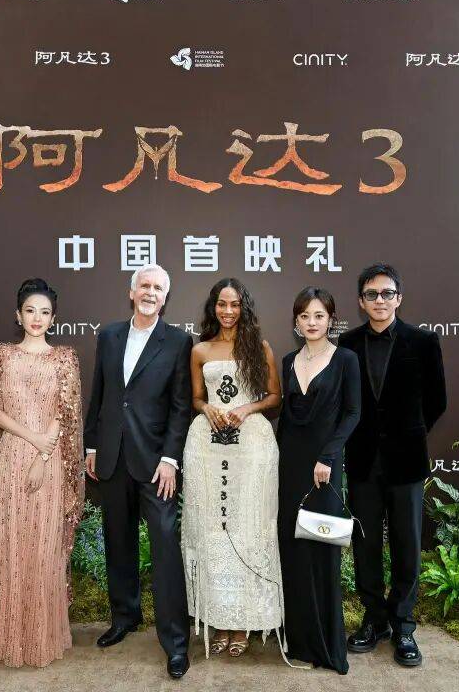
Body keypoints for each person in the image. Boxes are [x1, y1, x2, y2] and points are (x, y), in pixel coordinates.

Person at [83, 264, 194, 679]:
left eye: (158, 288)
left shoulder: (178, 341)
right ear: (132, 292)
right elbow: (100, 395)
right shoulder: (110, 336)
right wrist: (92, 444)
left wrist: (170, 459)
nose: (150, 293)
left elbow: (181, 406)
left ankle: (175, 642)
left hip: (155, 464)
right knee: (118, 541)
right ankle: (125, 617)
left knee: (165, 548)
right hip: (112, 457)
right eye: (144, 285)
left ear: (166, 297)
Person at [338, 263, 447, 667]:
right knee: (365, 544)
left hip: (406, 461)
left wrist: (410, 433)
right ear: (361, 301)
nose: (379, 300)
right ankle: (374, 619)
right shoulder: (347, 344)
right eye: (371, 294)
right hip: (363, 461)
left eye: (387, 293)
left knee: (407, 545)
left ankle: (403, 625)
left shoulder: (423, 341)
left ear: (399, 298)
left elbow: (437, 400)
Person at [0, 278, 85, 667]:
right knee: (13, 547)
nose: (37, 318)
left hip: (49, 462)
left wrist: (42, 454)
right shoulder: (1, 355)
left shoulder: (65, 358)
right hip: (9, 457)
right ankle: (10, 640)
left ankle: (43, 639)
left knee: (44, 547)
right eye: (30, 311)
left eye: (45, 312)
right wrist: (32, 439)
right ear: (18, 315)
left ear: (54, 318)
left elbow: (66, 414)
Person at [181, 278, 283, 659]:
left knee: (247, 529)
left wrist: (246, 408)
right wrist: (207, 408)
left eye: (235, 304)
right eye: (222, 304)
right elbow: (195, 398)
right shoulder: (200, 350)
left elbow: (275, 397)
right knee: (214, 532)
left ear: (244, 308)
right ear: (213, 307)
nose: (228, 311)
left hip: (251, 447)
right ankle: (219, 620)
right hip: (207, 446)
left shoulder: (260, 347)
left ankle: (243, 623)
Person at [276, 287, 361, 674]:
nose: (311, 322)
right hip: (291, 464)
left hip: (324, 466)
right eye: (304, 316)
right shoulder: (288, 361)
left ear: (331, 320)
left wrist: (328, 456)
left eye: (319, 315)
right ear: (296, 321)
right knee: (294, 550)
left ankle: (328, 646)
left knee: (322, 548)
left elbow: (352, 413)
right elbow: (287, 419)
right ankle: (300, 643)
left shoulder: (345, 359)